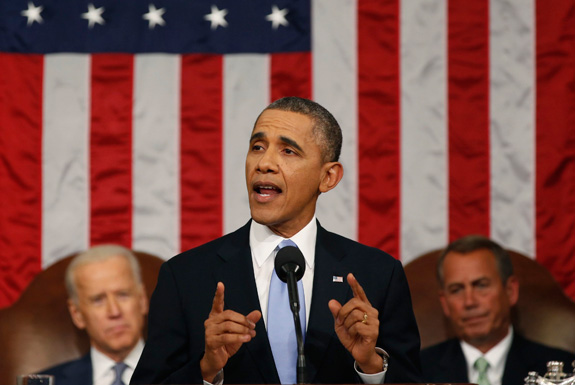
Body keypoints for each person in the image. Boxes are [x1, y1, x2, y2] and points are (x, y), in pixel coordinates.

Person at [131, 97, 421, 384]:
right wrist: (207, 369)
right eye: (257, 147)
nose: (264, 163)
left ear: (328, 177)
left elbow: (410, 379)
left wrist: (371, 365)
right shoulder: (185, 276)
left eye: (288, 151)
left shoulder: (379, 274)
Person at [420, 235, 575, 385]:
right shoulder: (415, 372)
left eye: (481, 285)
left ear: (510, 291)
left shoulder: (565, 371)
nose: (469, 302)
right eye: (456, 290)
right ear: (445, 303)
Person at [42, 245, 149, 385]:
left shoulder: (183, 377)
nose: (114, 312)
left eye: (123, 295)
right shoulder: (49, 382)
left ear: (142, 300)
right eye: (98, 300)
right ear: (77, 314)